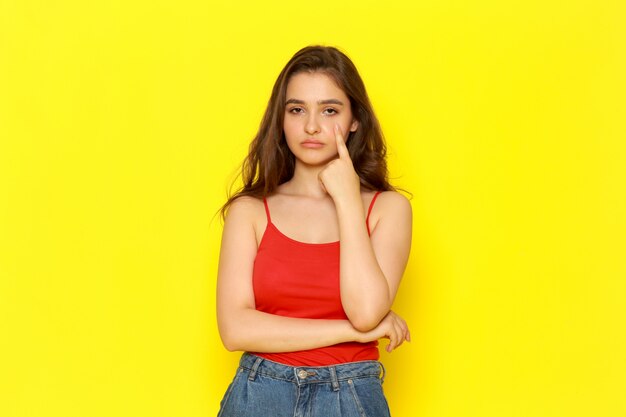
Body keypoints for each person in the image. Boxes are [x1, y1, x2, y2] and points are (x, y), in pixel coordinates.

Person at [215, 45, 413, 417]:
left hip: (351, 396)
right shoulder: (251, 211)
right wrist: (350, 333)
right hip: (259, 394)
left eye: (329, 110)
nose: (311, 126)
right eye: (296, 110)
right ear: (282, 119)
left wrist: (347, 200)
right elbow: (235, 329)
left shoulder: (387, 209)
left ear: (355, 120)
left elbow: (368, 312)